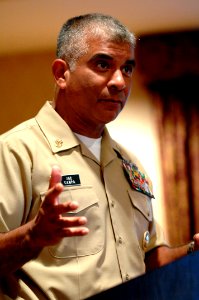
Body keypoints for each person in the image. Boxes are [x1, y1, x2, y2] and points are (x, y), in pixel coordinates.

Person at [0, 13, 198, 300]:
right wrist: (33, 237)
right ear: (61, 73)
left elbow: (151, 259)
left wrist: (192, 251)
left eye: (127, 68)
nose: (119, 81)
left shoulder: (129, 163)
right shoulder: (15, 151)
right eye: (103, 64)